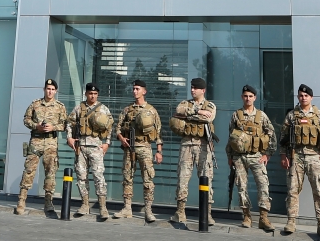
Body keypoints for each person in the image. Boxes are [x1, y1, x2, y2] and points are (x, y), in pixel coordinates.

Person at [279, 84, 320, 236]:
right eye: (300, 95)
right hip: (296, 156)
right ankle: (291, 222)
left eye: (306, 96)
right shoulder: (292, 115)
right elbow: (283, 138)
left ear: (311, 97)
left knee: (319, 191)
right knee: (293, 190)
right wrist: (283, 155)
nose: (303, 98)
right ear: (298, 97)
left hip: (314, 156)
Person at [14, 79, 69, 216]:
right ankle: (21, 201)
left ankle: (48, 202)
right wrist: (36, 126)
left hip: (51, 142)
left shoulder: (60, 107)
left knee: (51, 172)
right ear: (44, 89)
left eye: (52, 89)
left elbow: (65, 124)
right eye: (48, 89)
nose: (50, 91)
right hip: (36, 141)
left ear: (55, 91)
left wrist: (53, 127)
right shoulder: (35, 104)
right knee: (29, 170)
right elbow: (26, 119)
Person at [226, 85, 276, 230]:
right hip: (239, 157)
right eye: (245, 96)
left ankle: (263, 218)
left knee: (263, 185)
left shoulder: (261, 116)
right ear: (242, 97)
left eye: (250, 96)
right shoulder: (236, 115)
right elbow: (230, 137)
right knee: (242, 187)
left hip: (256, 156)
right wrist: (230, 156)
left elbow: (271, 134)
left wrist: (268, 154)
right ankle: (246, 216)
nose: (248, 99)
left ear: (255, 98)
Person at [114, 80, 162, 222]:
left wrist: (159, 151)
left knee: (148, 179)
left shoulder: (151, 110)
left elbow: (158, 132)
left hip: (145, 147)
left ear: (144, 91)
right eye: (133, 89)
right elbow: (117, 128)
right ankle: (127, 208)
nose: (135, 91)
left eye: (137, 89)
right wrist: (121, 138)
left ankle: (148, 210)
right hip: (129, 147)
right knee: (127, 178)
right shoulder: (127, 110)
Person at [171, 77, 217, 224]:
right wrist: (198, 111)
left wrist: (188, 115)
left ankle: (207, 214)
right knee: (182, 179)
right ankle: (180, 212)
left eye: (195, 88)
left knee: (206, 178)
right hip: (186, 145)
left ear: (202, 90)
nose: (192, 90)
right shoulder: (185, 103)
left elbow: (208, 119)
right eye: (191, 87)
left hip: (203, 146)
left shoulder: (210, 105)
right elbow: (178, 111)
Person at [66, 83, 113, 220]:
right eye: (90, 93)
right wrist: (69, 137)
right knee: (81, 176)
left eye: (95, 94)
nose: (93, 96)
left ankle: (103, 207)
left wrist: (107, 143)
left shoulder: (103, 109)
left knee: (99, 176)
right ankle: (85, 204)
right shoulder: (79, 108)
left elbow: (110, 126)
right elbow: (69, 123)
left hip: (96, 147)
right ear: (86, 94)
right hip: (80, 146)